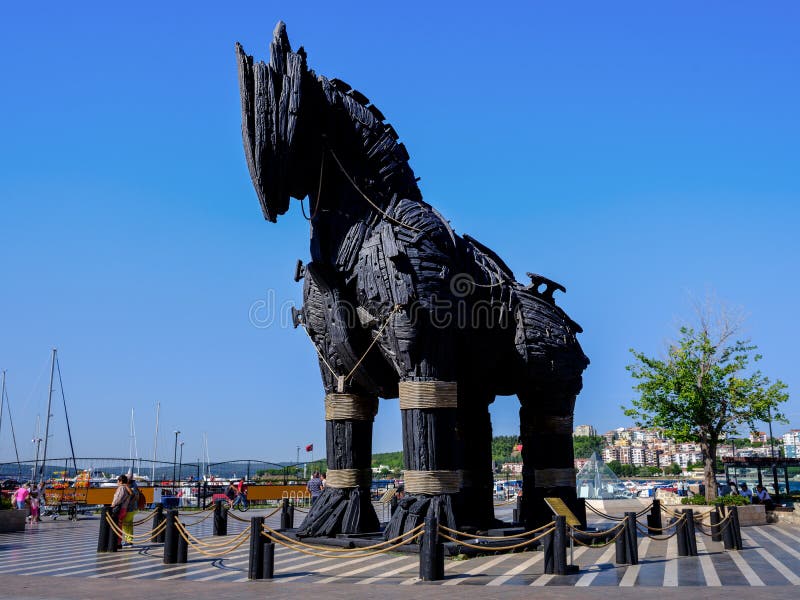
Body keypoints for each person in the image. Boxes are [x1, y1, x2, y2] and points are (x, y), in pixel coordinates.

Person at [110, 475, 131, 549]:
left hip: (119, 509)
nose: (117, 482)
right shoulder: (127, 488)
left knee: (116, 526)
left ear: (121, 481)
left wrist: (113, 505)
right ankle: (118, 542)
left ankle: (116, 542)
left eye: (118, 481)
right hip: (124, 509)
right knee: (119, 526)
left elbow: (119, 498)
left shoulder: (122, 488)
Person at [122, 475, 140, 546]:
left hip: (129, 508)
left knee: (126, 524)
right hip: (134, 508)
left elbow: (131, 494)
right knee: (129, 524)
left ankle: (128, 540)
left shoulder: (130, 487)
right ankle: (129, 539)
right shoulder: (135, 485)